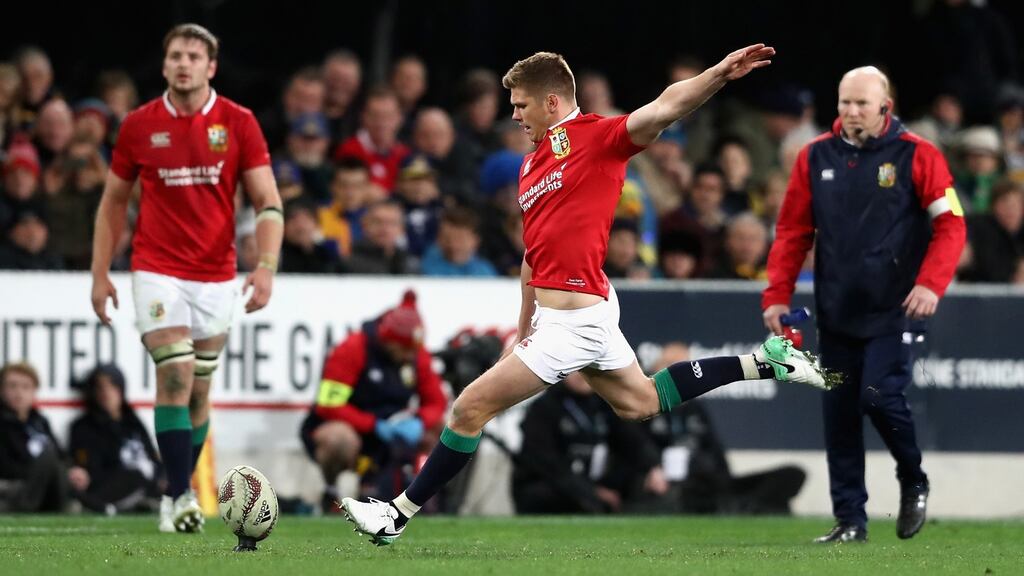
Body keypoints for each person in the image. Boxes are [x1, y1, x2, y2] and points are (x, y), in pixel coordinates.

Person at [342, 45, 831, 546]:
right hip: (577, 313)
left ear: (552, 102)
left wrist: (719, 74)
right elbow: (534, 256)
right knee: (641, 401)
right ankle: (767, 362)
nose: (514, 115)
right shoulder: (530, 164)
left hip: (576, 317)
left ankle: (395, 515)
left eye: (521, 105)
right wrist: (522, 326)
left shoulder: (599, 138)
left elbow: (666, 106)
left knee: (469, 409)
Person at [89, 24, 284, 534]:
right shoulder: (138, 125)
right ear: (164, 65)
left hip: (216, 275)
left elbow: (268, 202)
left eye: (194, 56)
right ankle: (179, 496)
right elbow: (113, 201)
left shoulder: (238, 123)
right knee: (174, 373)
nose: (183, 64)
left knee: (198, 389)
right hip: (156, 268)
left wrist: (265, 267)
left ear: (210, 67)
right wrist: (100, 272)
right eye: (175, 55)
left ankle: (172, 493)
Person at [762, 66, 966, 543]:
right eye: (844, 103)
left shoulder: (919, 154)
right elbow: (793, 232)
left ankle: (912, 477)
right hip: (837, 311)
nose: (851, 112)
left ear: (884, 108)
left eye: (861, 104)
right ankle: (851, 520)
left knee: (878, 396)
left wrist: (931, 284)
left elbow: (952, 225)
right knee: (840, 415)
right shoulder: (813, 157)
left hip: (896, 309)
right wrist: (777, 295)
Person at [300, 291, 446, 512]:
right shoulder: (352, 348)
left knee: (447, 430)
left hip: (393, 431)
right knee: (339, 439)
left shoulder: (416, 353)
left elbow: (437, 402)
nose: (410, 356)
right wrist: (373, 425)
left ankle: (430, 499)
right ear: (388, 342)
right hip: (353, 429)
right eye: (405, 351)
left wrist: (420, 422)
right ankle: (331, 494)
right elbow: (328, 405)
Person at [513, 371, 667, 515]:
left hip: (596, 482)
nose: (582, 375)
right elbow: (546, 463)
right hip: (557, 485)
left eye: (587, 368)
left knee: (642, 479)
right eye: (577, 368)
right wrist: (591, 491)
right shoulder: (544, 407)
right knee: (544, 492)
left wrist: (653, 466)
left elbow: (633, 440)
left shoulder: (605, 404)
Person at [69, 364, 164, 515]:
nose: (106, 393)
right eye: (100, 388)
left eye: (112, 386)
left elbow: (151, 455)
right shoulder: (84, 426)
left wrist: (163, 476)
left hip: (149, 483)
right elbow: (91, 469)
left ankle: (146, 501)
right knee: (135, 476)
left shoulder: (133, 421)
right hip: (114, 484)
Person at [0, 361, 82, 512]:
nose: (19, 393)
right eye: (12, 386)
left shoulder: (40, 421)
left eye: (25, 387)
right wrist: (40, 472)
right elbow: (5, 466)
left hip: (43, 485)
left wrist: (73, 470)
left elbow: (61, 455)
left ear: (34, 392)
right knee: (49, 457)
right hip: (14, 485)